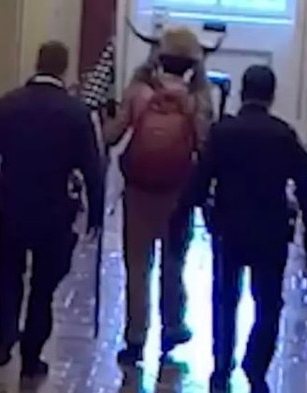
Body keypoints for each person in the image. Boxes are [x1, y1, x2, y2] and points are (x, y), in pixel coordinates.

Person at [174, 65, 307, 393]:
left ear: (242, 91)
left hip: (229, 229)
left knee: (225, 300)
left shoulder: (224, 133)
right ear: (271, 96)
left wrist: (184, 219)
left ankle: (221, 370)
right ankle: (256, 370)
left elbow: (199, 182)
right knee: (268, 304)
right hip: (271, 231)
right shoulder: (283, 135)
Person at [0, 41, 104, 378]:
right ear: (64, 68)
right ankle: (32, 353)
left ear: (37, 63)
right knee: (43, 285)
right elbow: (91, 167)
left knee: (8, 273)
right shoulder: (76, 113)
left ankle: (5, 333)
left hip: (12, 202)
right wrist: (97, 211)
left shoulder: (8, 105)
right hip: (55, 207)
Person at [103, 27, 214, 365]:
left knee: (137, 266)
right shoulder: (196, 99)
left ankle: (135, 337)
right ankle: (173, 325)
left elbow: (111, 136)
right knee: (173, 263)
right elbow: (206, 143)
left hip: (139, 190)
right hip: (177, 192)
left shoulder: (139, 92)